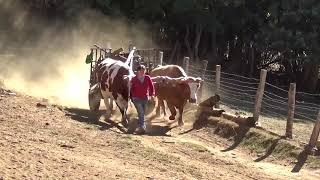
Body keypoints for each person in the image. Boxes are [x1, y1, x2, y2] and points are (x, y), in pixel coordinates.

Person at [130, 64, 155, 134]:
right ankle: (142, 127)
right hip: (136, 98)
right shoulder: (134, 79)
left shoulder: (147, 78)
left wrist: (152, 94)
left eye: (144, 71)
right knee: (141, 112)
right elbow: (131, 89)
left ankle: (138, 125)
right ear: (138, 71)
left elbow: (151, 87)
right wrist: (132, 96)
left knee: (142, 113)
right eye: (141, 71)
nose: (142, 72)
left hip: (145, 98)